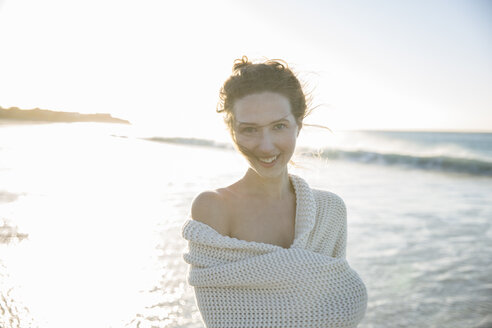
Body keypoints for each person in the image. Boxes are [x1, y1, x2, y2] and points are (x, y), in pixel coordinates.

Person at [182, 56, 367, 327]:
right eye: (250, 130)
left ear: (298, 125)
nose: (266, 146)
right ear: (231, 131)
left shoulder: (330, 211)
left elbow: (336, 304)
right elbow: (223, 319)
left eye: (279, 126)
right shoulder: (214, 208)